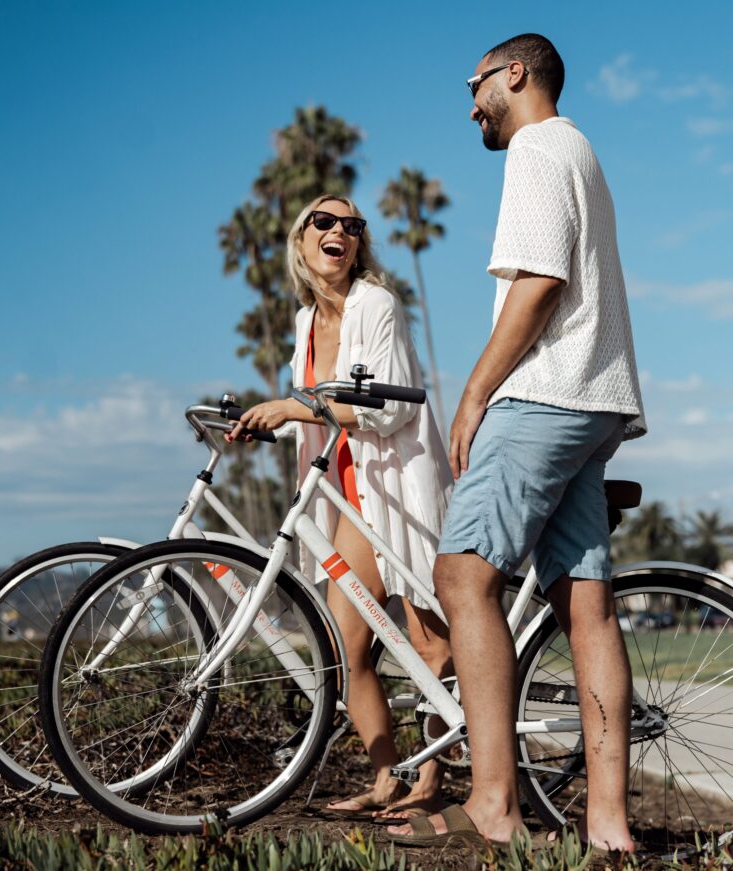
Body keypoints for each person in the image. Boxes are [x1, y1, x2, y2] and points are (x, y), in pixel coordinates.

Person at [388, 33, 646, 852]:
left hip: (543, 394)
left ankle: (494, 801)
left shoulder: (536, 147)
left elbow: (539, 284)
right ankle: (609, 828)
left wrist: (473, 394)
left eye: (475, 87)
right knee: (588, 608)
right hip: (598, 400)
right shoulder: (583, 152)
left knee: (463, 575)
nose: (472, 107)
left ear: (515, 75)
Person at [228, 194, 454, 821]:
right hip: (344, 497)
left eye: (352, 225)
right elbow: (311, 411)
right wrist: (261, 421)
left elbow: (393, 408)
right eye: (324, 222)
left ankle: (431, 782)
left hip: (396, 486)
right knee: (348, 649)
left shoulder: (377, 305)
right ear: (302, 242)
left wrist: (296, 406)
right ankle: (386, 780)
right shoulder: (304, 321)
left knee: (430, 646)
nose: (340, 231)